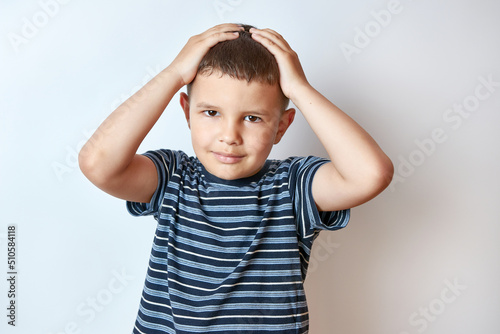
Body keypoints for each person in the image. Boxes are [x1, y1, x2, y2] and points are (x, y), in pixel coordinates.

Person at [79, 23, 393, 334]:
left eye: (252, 118)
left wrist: (299, 87)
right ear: (187, 113)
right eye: (211, 113)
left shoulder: (291, 187)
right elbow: (98, 163)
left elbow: (370, 174)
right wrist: (174, 74)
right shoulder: (172, 178)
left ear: (281, 127)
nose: (230, 136)